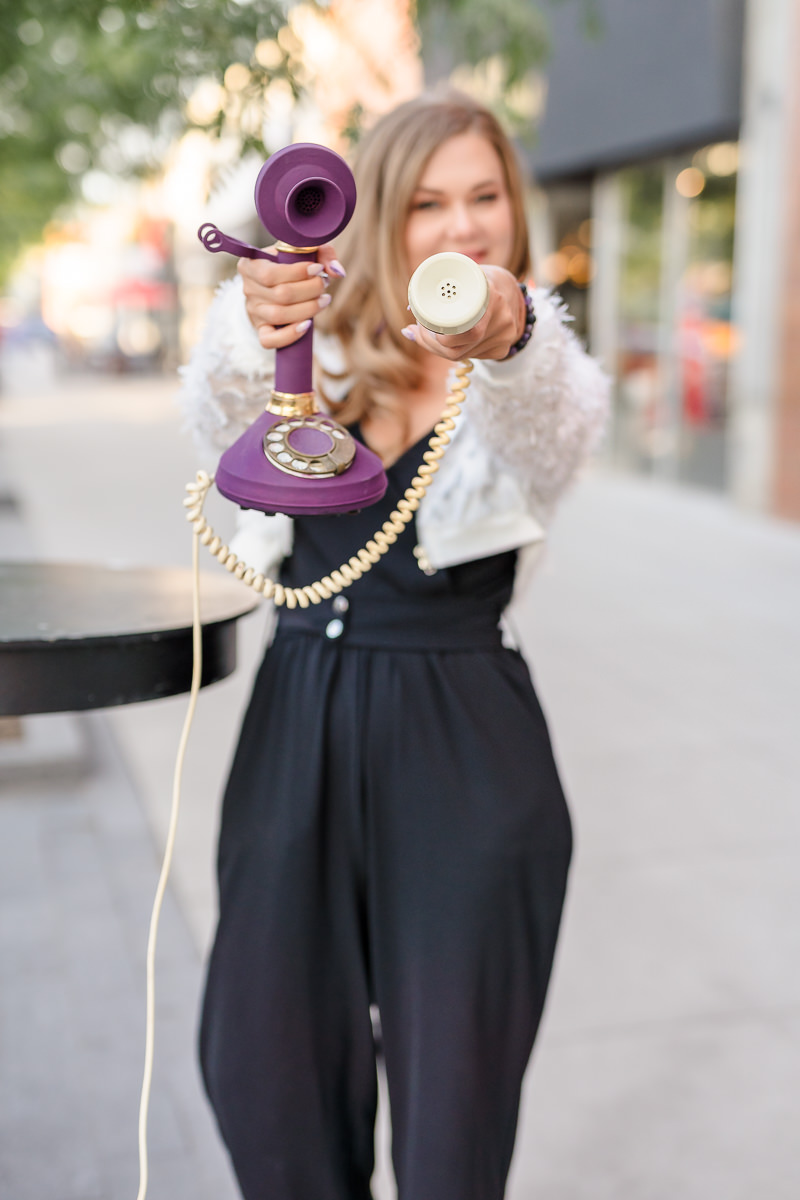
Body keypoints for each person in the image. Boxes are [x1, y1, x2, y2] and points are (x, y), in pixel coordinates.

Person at [179, 90, 609, 1200]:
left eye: (483, 198)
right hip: (299, 720)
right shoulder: (305, 348)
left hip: (464, 745)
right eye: (425, 203)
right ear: (375, 216)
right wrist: (260, 307)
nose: (460, 228)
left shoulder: (528, 371)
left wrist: (510, 335)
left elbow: (552, 430)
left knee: (452, 1118)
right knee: (263, 1069)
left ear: (514, 212)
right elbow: (215, 408)